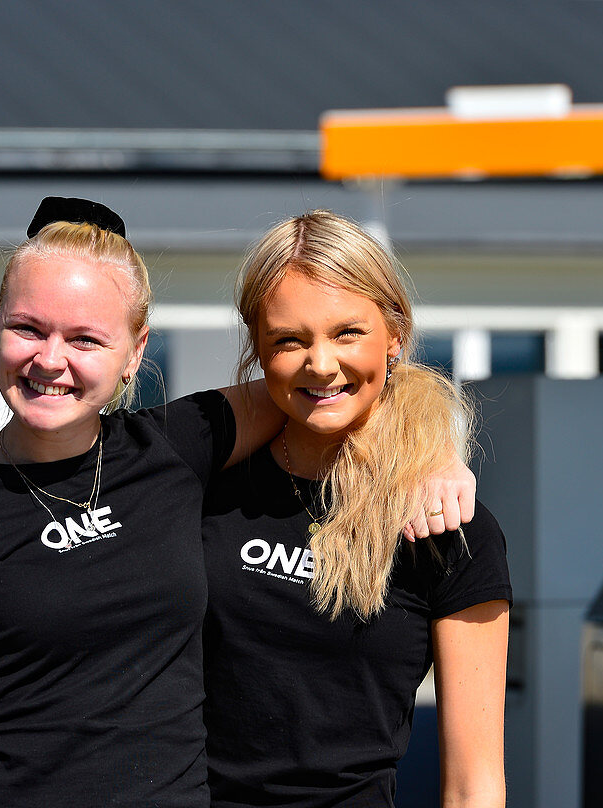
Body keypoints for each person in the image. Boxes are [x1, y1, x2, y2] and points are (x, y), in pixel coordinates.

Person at [0, 198, 477, 808]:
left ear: (135, 351)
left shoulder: (176, 449)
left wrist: (433, 450)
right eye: (27, 328)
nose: (51, 359)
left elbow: (333, 381)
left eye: (86, 339)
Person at [201, 210, 512, 808]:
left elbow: (475, 785)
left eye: (347, 333)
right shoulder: (201, 490)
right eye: (290, 340)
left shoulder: (448, 525)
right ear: (257, 347)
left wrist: (432, 438)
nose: (321, 364)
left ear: (394, 332)